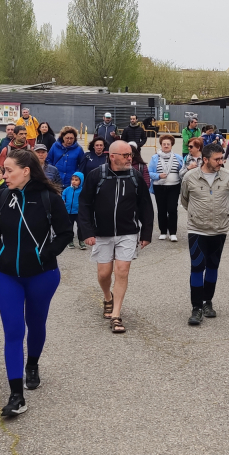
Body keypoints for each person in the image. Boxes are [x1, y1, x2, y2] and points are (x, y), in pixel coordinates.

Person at [0, 148, 73, 417]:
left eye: (9, 170)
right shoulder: (2, 196)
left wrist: (43, 254)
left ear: (26, 171)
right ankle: (16, 395)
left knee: (36, 324)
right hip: (6, 276)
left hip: (42, 276)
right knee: (13, 331)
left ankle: (32, 365)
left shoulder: (49, 198)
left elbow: (65, 233)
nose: (4, 174)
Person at [78, 140, 153, 334]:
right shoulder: (96, 176)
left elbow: (146, 206)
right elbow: (84, 204)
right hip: (101, 233)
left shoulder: (136, 177)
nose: (130, 158)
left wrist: (146, 233)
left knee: (122, 270)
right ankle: (107, 297)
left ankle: (116, 315)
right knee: (104, 274)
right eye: (126, 155)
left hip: (128, 232)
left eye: (131, 155)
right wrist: (87, 231)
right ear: (112, 156)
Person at [180, 142, 229, 326]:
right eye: (217, 159)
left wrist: (220, 215)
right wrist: (199, 216)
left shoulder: (228, 177)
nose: (221, 161)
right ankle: (196, 307)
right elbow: (185, 201)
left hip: (219, 230)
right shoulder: (190, 177)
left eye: (222, 158)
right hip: (197, 229)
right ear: (205, 159)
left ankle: (208, 302)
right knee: (197, 267)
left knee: (213, 267)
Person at [148, 134, 184, 242]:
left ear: (172, 145)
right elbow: (149, 172)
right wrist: (158, 176)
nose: (166, 146)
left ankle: (173, 232)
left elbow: (182, 171)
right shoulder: (155, 158)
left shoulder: (178, 158)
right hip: (159, 186)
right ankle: (163, 231)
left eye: (168, 144)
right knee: (161, 209)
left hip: (174, 187)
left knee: (172, 209)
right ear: (161, 145)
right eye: (164, 144)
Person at [62, 171, 86, 250]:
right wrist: (63, 202)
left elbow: (85, 200)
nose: (74, 181)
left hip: (79, 212)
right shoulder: (67, 190)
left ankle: (81, 241)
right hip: (68, 212)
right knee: (69, 227)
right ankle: (70, 241)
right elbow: (63, 197)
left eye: (76, 180)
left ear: (81, 181)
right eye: (72, 179)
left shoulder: (83, 191)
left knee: (81, 227)